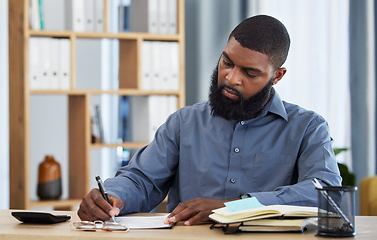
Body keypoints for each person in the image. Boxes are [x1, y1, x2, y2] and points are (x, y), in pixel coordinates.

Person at [77, 15, 342, 226]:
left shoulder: (307, 127)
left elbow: (325, 193)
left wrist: (236, 207)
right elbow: (142, 180)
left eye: (250, 73)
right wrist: (111, 196)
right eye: (227, 62)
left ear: (277, 76)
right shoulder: (184, 123)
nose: (231, 78)